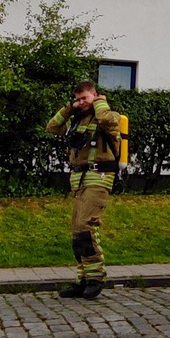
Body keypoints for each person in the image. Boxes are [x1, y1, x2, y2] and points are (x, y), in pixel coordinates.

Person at [46, 79, 122, 299]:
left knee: (85, 226)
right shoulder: (78, 119)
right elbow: (52, 127)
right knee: (76, 232)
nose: (81, 102)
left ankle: (96, 277)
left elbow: (106, 119)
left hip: (99, 178)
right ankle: (83, 279)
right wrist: (70, 109)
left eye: (84, 98)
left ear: (95, 95)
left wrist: (100, 102)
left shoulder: (109, 115)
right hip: (79, 180)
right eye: (77, 99)